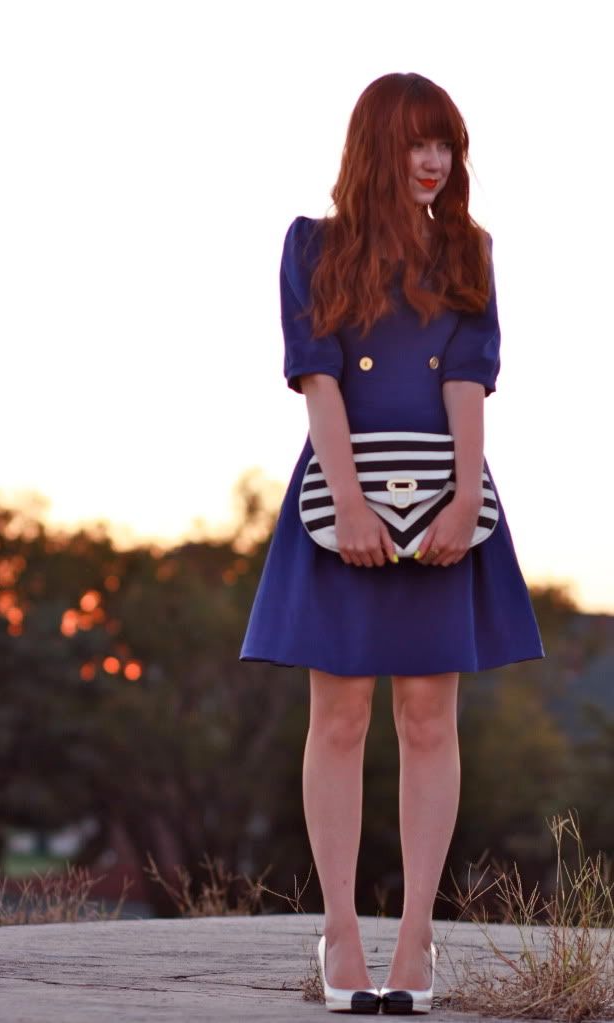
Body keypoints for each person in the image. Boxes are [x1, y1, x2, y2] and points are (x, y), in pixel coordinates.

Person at [239, 71, 545, 1014]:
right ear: (377, 145)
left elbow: (467, 382)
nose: (433, 160)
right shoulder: (313, 246)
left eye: (445, 143)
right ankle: (338, 931)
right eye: (417, 141)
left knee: (427, 716)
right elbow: (318, 378)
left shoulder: (471, 251)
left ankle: (415, 941)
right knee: (338, 717)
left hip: (445, 494)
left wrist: (464, 501)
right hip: (342, 494)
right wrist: (350, 503)